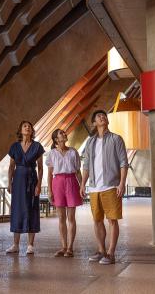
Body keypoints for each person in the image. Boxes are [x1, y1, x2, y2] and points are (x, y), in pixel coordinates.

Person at [79, 110, 128, 265]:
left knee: (112, 220)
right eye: (99, 116)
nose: (102, 117)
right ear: (94, 123)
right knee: (97, 220)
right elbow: (86, 166)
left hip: (111, 185)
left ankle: (111, 253)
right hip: (94, 187)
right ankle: (101, 250)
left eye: (104, 115)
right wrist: (83, 184)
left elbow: (123, 163)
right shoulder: (90, 142)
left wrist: (121, 183)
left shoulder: (116, 139)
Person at [5, 121, 44, 255]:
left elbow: (40, 168)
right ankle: (15, 245)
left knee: (32, 209)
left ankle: (30, 245)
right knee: (17, 210)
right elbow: (11, 167)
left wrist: (39, 184)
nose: (27, 127)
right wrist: (9, 183)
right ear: (20, 130)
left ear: (32, 131)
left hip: (32, 180)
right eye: (24, 126)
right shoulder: (15, 146)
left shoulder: (37, 146)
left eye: (29, 126)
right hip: (18, 180)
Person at [46, 128, 82, 257]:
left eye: (64, 133)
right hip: (58, 183)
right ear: (56, 139)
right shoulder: (52, 154)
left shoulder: (73, 152)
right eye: (61, 133)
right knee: (61, 217)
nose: (64, 134)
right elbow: (49, 174)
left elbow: (78, 171)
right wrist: (50, 190)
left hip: (72, 182)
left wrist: (82, 186)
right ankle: (63, 246)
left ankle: (70, 248)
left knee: (71, 217)